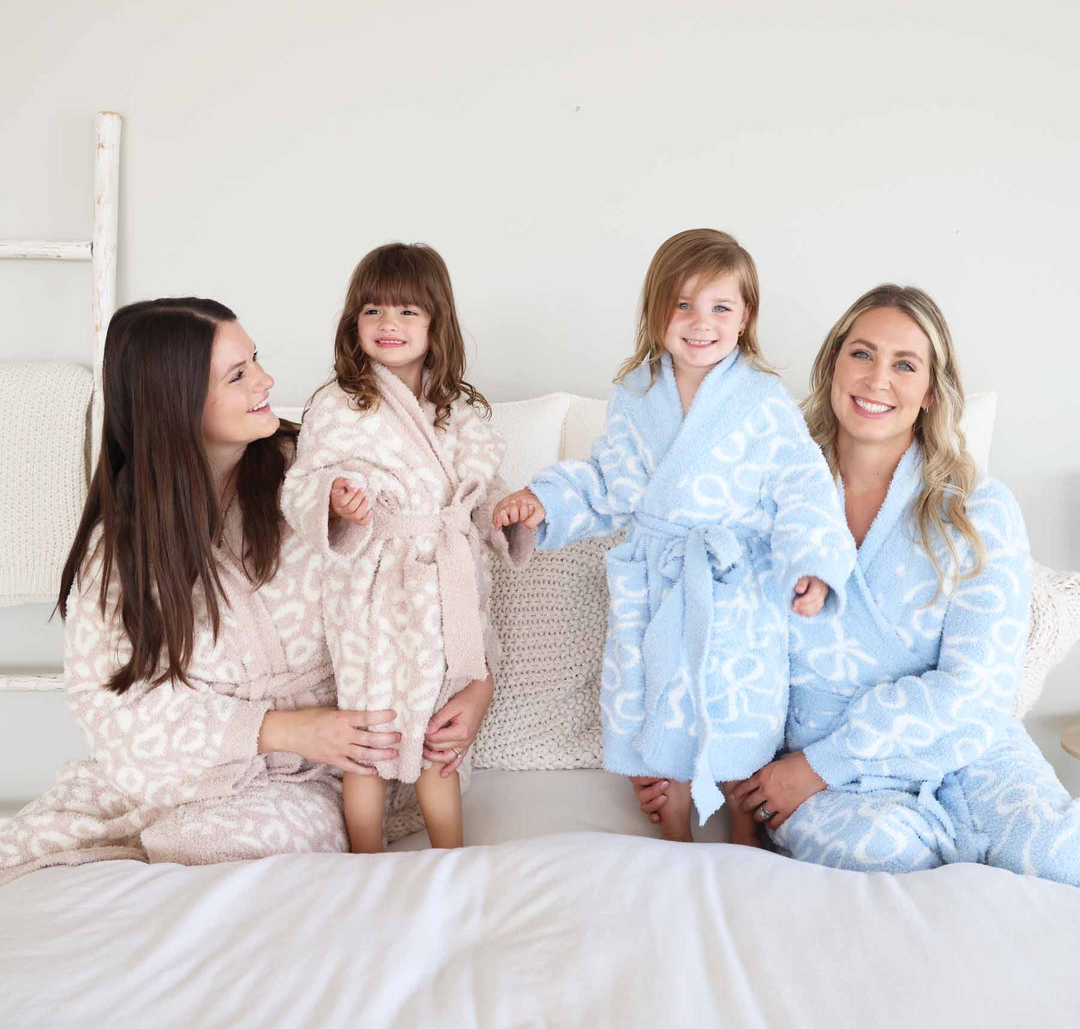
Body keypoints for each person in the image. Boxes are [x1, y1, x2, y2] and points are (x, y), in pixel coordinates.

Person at [0, 297, 493, 886]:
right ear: (174, 402)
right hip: (200, 771)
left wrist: (476, 687)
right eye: (238, 375)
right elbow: (112, 707)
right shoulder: (124, 546)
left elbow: (440, 579)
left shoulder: (322, 479)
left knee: (210, 846)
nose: (267, 381)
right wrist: (285, 728)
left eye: (254, 359)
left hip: (345, 768)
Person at [493, 229, 855, 843]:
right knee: (662, 700)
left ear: (745, 318)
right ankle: (675, 818)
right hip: (658, 579)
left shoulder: (764, 401)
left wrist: (814, 563)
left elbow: (804, 487)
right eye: (682, 304)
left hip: (735, 586)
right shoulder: (636, 393)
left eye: (720, 306)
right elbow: (609, 482)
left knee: (739, 707)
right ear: (656, 310)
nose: (700, 322)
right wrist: (542, 500)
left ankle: (745, 820)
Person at [716, 284, 1080, 884]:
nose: (877, 378)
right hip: (821, 776)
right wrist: (733, 775)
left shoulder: (979, 511)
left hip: (965, 752)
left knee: (1061, 859)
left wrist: (824, 763)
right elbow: (731, 647)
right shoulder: (767, 497)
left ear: (930, 391)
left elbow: (976, 686)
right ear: (834, 363)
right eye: (861, 354)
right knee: (883, 857)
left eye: (904, 364)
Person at [281, 244, 530, 853]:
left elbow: (478, 495)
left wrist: (506, 513)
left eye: (407, 312)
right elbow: (303, 485)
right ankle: (365, 864)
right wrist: (336, 504)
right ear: (354, 324)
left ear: (436, 324)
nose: (388, 325)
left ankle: (450, 860)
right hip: (372, 593)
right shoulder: (337, 407)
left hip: (444, 594)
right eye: (373, 312)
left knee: (438, 741)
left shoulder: (460, 414)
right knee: (370, 741)